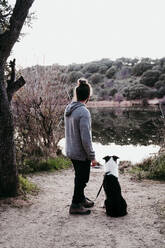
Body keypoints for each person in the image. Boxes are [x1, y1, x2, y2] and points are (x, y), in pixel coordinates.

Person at [64, 78, 97, 215]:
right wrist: (92, 156)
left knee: (80, 176)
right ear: (88, 96)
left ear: (77, 94)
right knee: (82, 179)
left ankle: (81, 199)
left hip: (71, 150)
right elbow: (86, 138)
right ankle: (75, 205)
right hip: (80, 152)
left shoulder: (69, 108)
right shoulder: (83, 112)